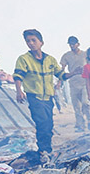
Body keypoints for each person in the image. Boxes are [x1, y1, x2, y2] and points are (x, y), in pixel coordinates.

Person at [14, 29, 67, 159]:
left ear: (41, 42)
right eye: (28, 41)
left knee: (48, 124)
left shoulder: (50, 60)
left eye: (33, 40)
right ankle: (44, 151)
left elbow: (61, 75)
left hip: (48, 98)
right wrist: (19, 91)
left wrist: (75, 72)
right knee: (42, 123)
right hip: (34, 97)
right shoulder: (24, 59)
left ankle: (46, 150)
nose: (31, 43)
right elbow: (18, 76)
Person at [60, 36, 90, 131]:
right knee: (76, 105)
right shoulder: (66, 55)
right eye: (70, 44)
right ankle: (80, 124)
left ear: (78, 44)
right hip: (73, 82)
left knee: (85, 102)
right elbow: (62, 68)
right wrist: (60, 80)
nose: (72, 45)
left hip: (84, 82)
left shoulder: (85, 54)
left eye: (74, 43)